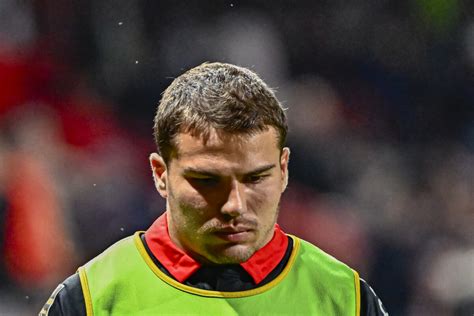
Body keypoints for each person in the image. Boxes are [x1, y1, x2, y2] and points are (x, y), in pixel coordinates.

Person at [40, 62, 388, 315]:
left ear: (283, 171)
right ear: (160, 174)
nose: (234, 205)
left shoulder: (344, 298)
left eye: (255, 179)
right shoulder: (93, 298)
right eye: (207, 181)